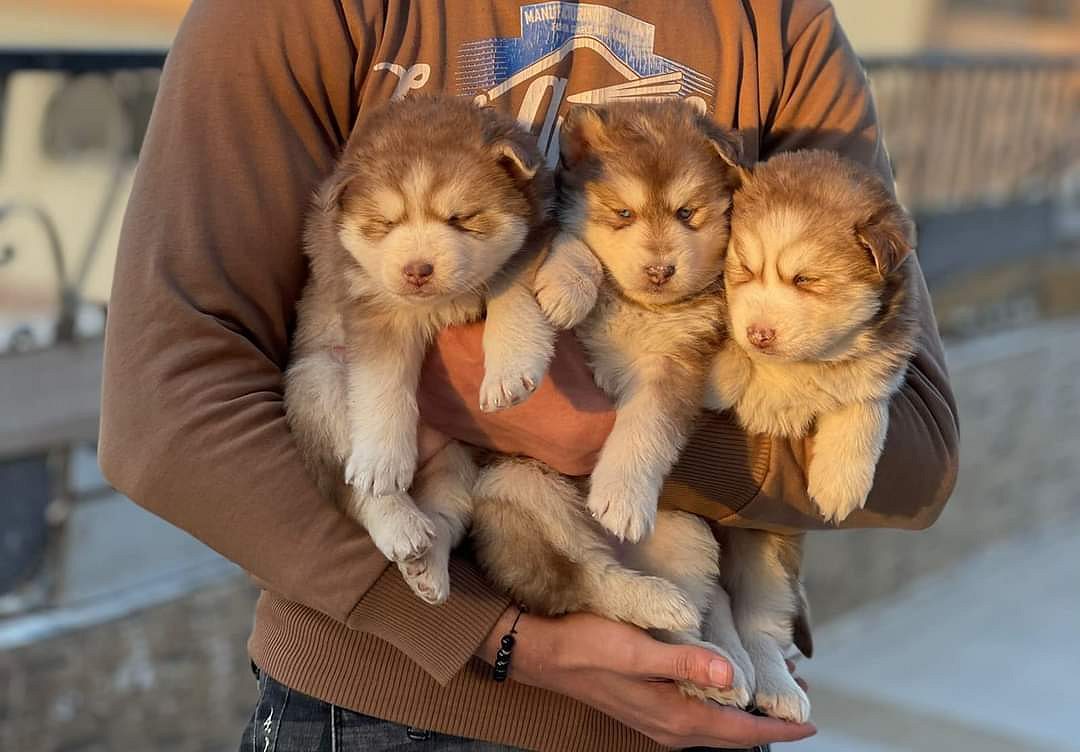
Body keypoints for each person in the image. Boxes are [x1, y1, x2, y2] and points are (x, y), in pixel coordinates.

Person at [98, 1, 959, 750]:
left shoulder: (773, 22)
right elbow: (164, 408)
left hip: (689, 689)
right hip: (381, 704)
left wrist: (595, 436)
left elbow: (916, 454)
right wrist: (499, 639)